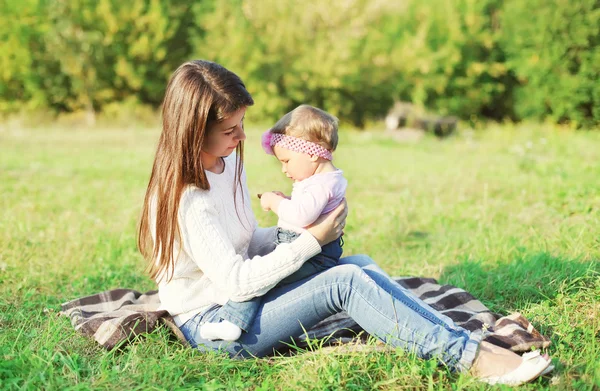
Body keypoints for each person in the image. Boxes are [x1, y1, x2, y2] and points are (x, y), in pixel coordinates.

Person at [137, 59, 552, 386]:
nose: (242, 137)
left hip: (238, 300)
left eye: (242, 123)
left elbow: (244, 242)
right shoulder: (188, 198)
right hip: (215, 325)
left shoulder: (225, 163)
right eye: (230, 129)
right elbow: (237, 283)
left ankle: (464, 341)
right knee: (344, 282)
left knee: (361, 265)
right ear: (193, 130)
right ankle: (474, 361)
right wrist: (312, 240)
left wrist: (298, 232)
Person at [199, 105, 348, 341]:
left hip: (312, 251)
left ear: (312, 153)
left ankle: (233, 322)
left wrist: (274, 202)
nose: (284, 169)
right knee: (265, 274)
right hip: (313, 248)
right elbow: (308, 209)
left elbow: (301, 216)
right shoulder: (324, 179)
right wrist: (289, 199)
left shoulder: (321, 184)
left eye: (287, 160)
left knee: (264, 279)